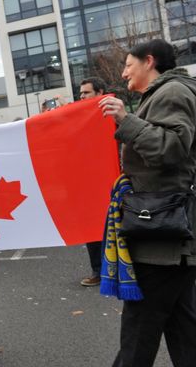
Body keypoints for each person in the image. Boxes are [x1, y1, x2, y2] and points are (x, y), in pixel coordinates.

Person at [99, 39, 196, 367]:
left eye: (128, 64)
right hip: (171, 236)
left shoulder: (172, 93)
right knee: (184, 331)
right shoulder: (165, 94)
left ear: (149, 61)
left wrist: (125, 121)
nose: (123, 72)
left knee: (138, 334)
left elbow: (171, 148)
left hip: (162, 237)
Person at [78, 78, 107, 287]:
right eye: (80, 93)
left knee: (112, 228)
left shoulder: (111, 113)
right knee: (92, 229)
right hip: (88, 184)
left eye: (86, 93)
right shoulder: (79, 118)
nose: (82, 97)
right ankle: (98, 270)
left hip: (109, 182)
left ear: (99, 93)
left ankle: (114, 269)